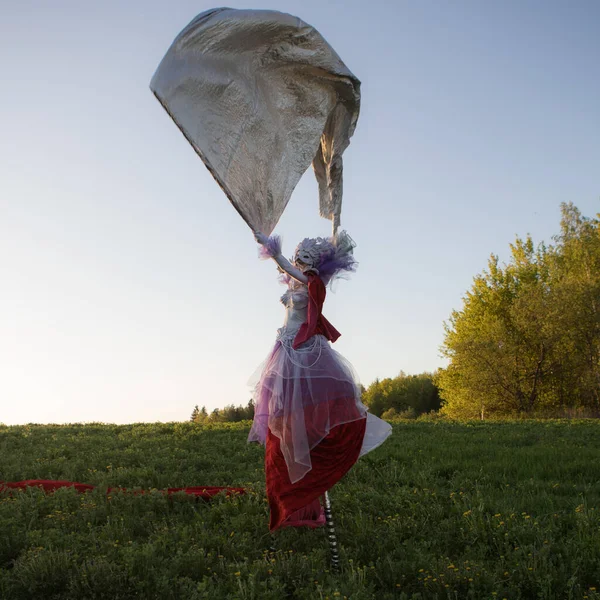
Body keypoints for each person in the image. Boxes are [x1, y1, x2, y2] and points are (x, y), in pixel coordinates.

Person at [249, 231, 392, 531]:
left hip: (304, 353)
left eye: (302, 259)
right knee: (287, 423)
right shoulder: (295, 280)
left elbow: (285, 267)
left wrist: (273, 250)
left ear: (310, 263)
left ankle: (309, 488)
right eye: (297, 258)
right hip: (285, 349)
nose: (297, 263)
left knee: (307, 417)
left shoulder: (313, 282)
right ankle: (297, 503)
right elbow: (285, 271)